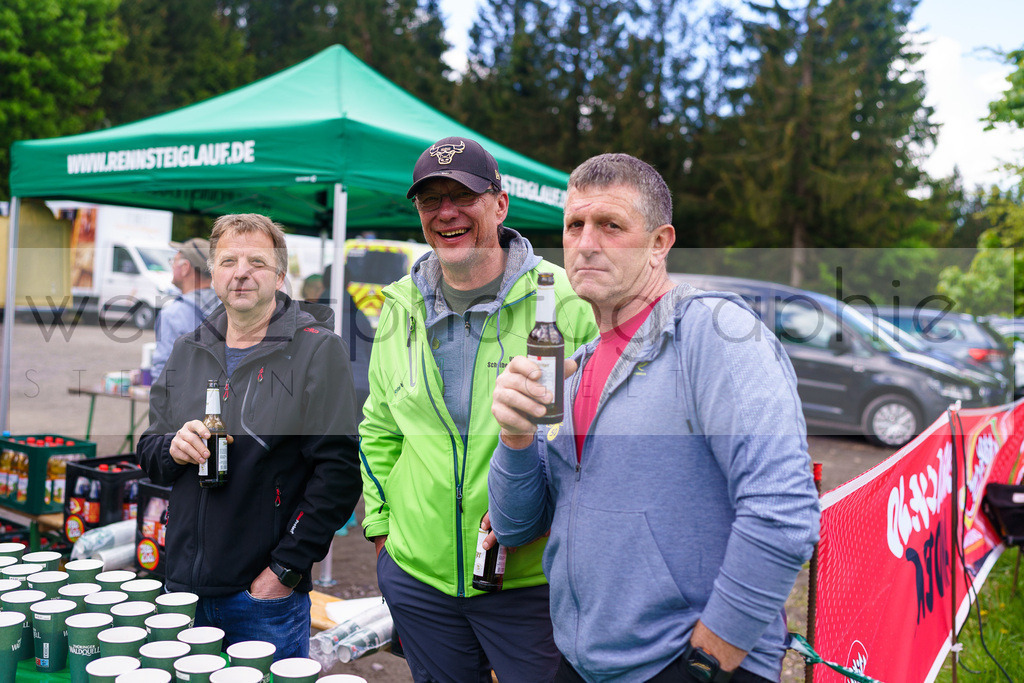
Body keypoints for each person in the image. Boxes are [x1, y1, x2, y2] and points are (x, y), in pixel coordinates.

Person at [488, 153, 820, 682]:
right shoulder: (577, 367)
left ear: (660, 243)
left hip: (687, 664)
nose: (587, 242)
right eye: (575, 225)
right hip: (581, 661)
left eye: (611, 226)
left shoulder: (713, 331)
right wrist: (514, 436)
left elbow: (784, 509)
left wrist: (710, 659)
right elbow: (515, 526)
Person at [359, 136, 598, 682]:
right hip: (419, 580)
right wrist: (382, 535)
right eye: (430, 200)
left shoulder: (566, 301)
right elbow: (379, 426)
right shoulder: (399, 306)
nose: (446, 212)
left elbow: (590, 440)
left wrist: (542, 520)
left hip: (531, 586)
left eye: (462, 195)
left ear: (499, 204)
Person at [137, 213, 361, 658]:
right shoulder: (189, 347)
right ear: (214, 273)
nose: (241, 272)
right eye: (228, 261)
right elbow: (148, 449)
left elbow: (337, 475)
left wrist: (283, 571)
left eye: (256, 262)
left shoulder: (317, 348)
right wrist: (172, 446)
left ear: (279, 275)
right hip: (182, 590)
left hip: (261, 599)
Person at [151, 238, 220, 381]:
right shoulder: (227, 308)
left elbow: (163, 370)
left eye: (173, 261)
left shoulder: (173, 314)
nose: (172, 266)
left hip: (183, 399)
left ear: (185, 268)